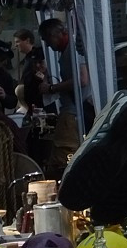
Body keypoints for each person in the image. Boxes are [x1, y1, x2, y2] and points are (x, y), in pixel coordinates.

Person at [37, 18, 91, 169]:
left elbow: (82, 79)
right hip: (73, 109)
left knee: (64, 153)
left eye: (47, 39)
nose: (47, 44)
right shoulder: (68, 51)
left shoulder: (74, 50)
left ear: (57, 34)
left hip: (74, 111)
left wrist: (52, 89)